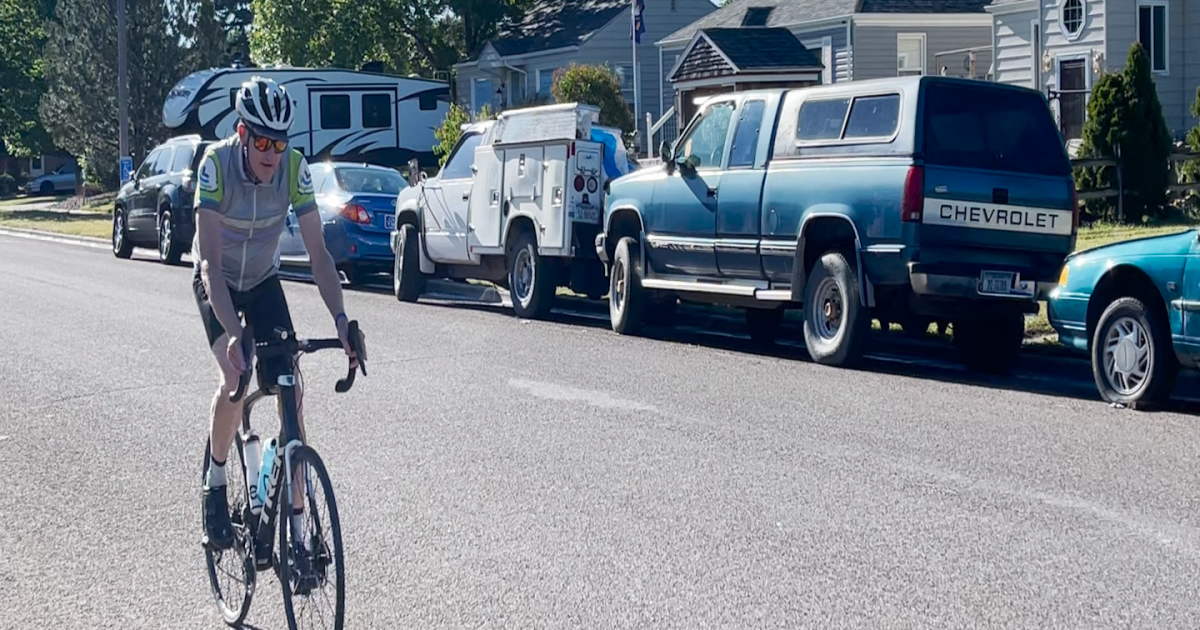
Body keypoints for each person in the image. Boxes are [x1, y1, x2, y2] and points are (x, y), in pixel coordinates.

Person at [193, 76, 363, 561]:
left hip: (263, 280)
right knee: (236, 373)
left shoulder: (293, 169)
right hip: (218, 280)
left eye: (279, 142)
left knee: (290, 384)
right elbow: (208, 264)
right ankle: (216, 480)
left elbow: (318, 254)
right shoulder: (216, 166)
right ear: (243, 135)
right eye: (262, 142)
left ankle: (300, 528)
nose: (271, 152)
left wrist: (341, 320)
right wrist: (232, 334)